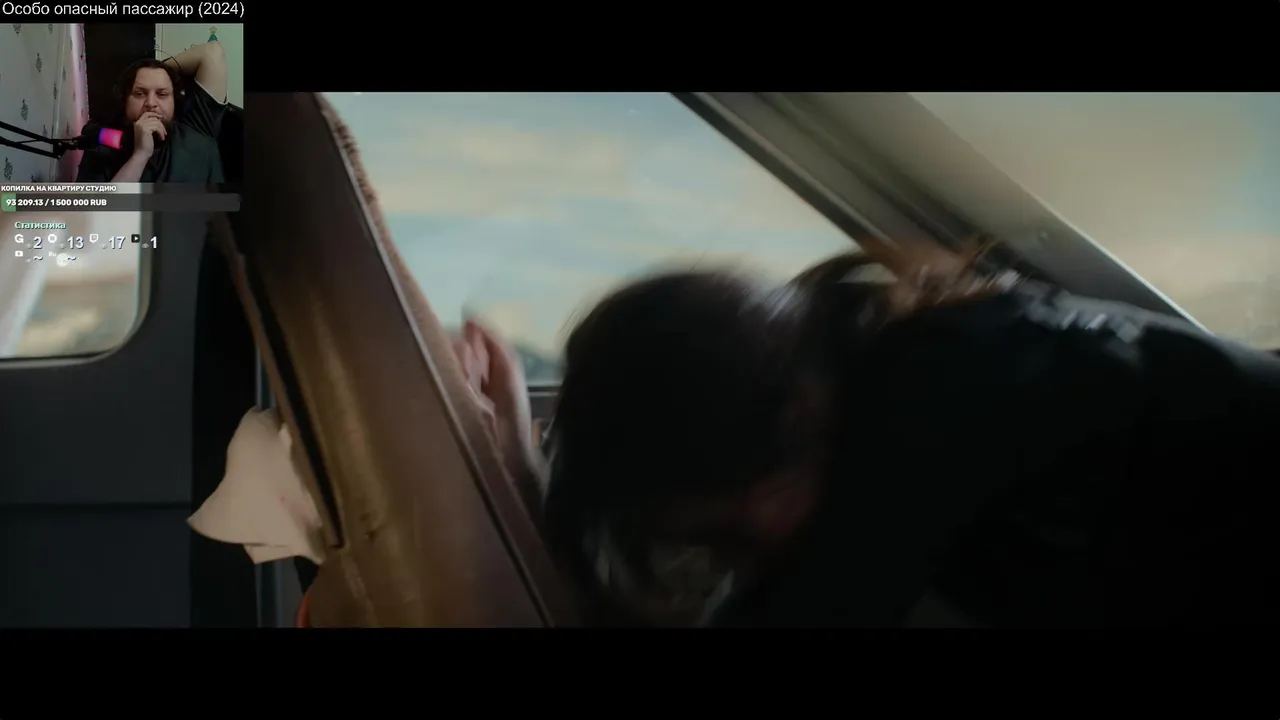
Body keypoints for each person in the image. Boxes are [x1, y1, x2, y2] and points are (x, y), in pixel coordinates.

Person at [452, 253, 1280, 627]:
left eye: (731, 534)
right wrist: (520, 470)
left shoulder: (943, 402)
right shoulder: (905, 377)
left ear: (790, 422)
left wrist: (520, 481)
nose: (745, 569)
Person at [76, 41, 229, 183]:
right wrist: (140, 155)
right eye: (140, 94)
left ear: (175, 101)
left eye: (162, 94)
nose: (151, 103)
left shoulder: (198, 126)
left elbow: (212, 52)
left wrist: (157, 67)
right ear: (125, 101)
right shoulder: (102, 150)